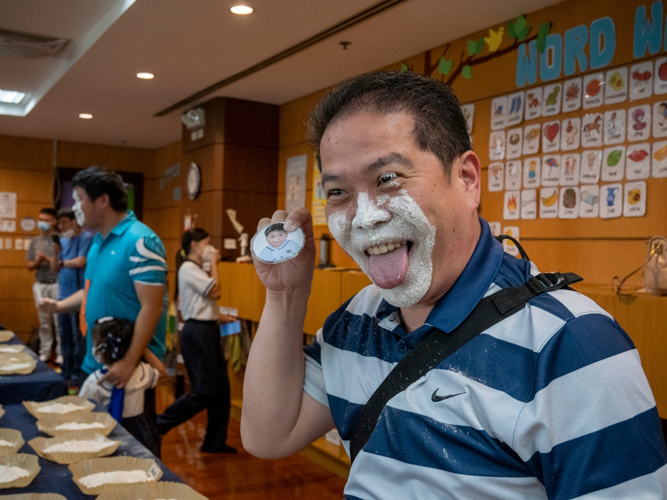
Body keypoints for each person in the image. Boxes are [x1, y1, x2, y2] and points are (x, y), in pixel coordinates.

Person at [241, 71, 667, 499]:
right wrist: (284, 295)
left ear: (466, 178)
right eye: (337, 192)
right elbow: (270, 435)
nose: (363, 216)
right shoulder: (358, 319)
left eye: (387, 178)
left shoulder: (572, 344)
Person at [43, 166, 168, 456]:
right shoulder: (99, 239)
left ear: (102, 201)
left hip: (128, 368)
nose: (74, 208)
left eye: (78, 199)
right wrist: (59, 306)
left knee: (136, 455)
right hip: (96, 362)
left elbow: (152, 307)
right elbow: (91, 292)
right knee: (99, 450)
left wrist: (128, 361)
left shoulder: (141, 240)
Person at [157, 228, 237, 454]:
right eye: (207, 244)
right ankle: (160, 423)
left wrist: (221, 317)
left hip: (208, 328)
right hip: (198, 333)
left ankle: (214, 442)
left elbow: (201, 304)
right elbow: (215, 292)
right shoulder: (189, 269)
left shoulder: (194, 270)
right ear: (194, 245)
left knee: (222, 390)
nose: (211, 249)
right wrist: (214, 263)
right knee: (204, 391)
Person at [80, 316, 161, 454]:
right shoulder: (142, 372)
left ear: (99, 351)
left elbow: (82, 412)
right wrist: (142, 348)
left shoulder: (95, 382)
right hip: (140, 434)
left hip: (109, 434)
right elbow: (161, 371)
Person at [50, 207, 93, 391]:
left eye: (65, 223)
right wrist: (55, 252)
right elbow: (54, 268)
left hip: (78, 296)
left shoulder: (86, 238)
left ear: (75, 221)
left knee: (78, 339)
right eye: (59, 224)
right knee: (64, 337)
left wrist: (62, 262)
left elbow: (80, 261)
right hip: (62, 296)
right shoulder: (65, 242)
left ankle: (76, 372)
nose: (62, 226)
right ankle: (65, 371)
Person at [26, 207, 62, 363]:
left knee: (58, 321)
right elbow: (29, 265)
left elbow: (63, 263)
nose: (42, 223)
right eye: (40, 220)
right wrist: (37, 262)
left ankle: (61, 353)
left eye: (46, 220)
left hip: (57, 284)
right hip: (40, 284)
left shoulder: (61, 240)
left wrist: (47, 258)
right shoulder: (35, 241)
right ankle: (45, 352)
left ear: (54, 222)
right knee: (44, 322)